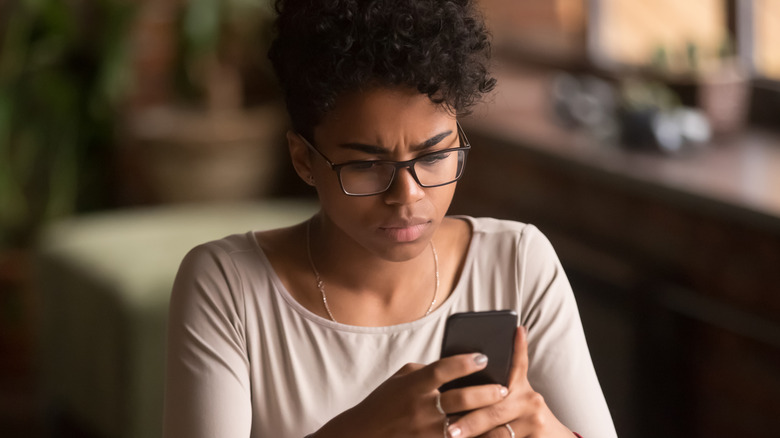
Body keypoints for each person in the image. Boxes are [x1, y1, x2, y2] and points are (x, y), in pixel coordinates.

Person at [162, 0, 618, 437]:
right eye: (366, 165)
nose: (408, 196)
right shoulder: (228, 287)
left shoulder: (517, 263)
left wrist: (547, 430)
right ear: (304, 159)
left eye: (435, 155)